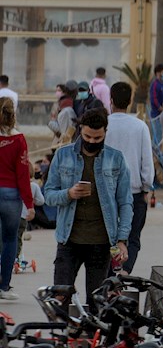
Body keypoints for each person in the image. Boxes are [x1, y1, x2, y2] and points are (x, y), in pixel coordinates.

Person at [44, 108, 132, 305]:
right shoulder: (62, 155)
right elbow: (48, 195)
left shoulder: (116, 158)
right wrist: (69, 194)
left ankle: (93, 336)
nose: (92, 141)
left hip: (101, 244)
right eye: (87, 136)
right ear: (80, 130)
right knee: (59, 299)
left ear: (105, 133)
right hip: (68, 241)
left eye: (97, 137)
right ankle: (63, 335)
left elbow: (125, 202)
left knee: (97, 302)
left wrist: (122, 239)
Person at [104, 82, 154, 273]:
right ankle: (124, 272)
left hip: (106, 191)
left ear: (111, 100)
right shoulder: (140, 127)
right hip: (133, 192)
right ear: (130, 100)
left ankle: (109, 273)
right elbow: (146, 161)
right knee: (132, 237)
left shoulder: (104, 125)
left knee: (108, 238)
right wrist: (146, 187)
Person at [0, 97, 34, 299]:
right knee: (10, 239)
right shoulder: (19, 139)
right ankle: (4, 286)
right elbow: (23, 174)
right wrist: (29, 204)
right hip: (11, 195)